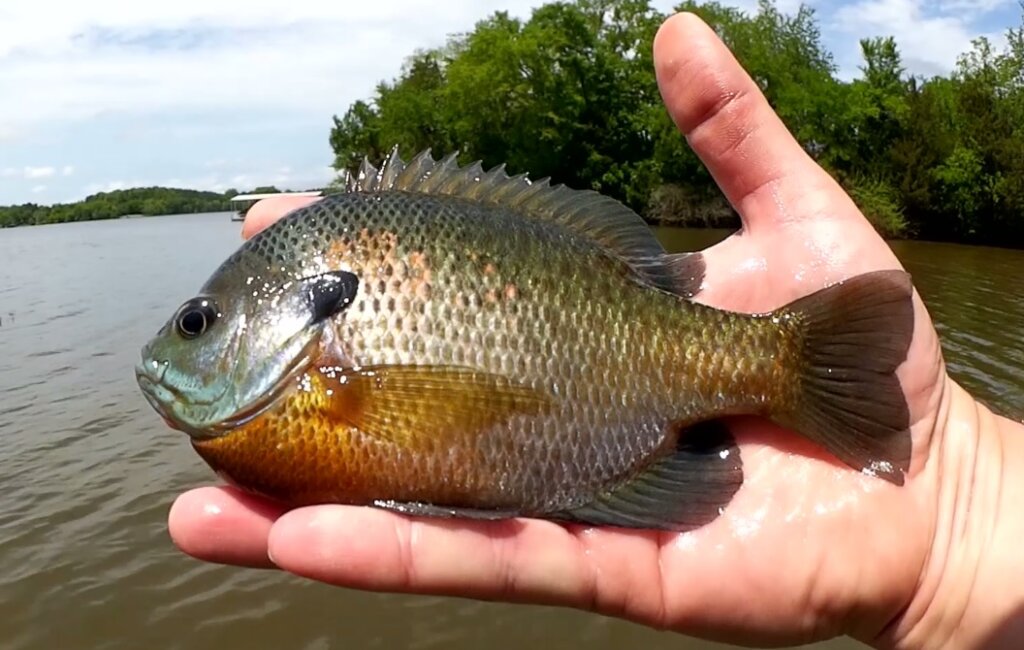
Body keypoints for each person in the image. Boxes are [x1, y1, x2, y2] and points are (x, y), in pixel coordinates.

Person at [166, 13, 1024, 650]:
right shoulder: (297, 385)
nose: (181, 349)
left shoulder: (320, 370)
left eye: (200, 326)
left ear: (280, 307)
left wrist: (956, 516)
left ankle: (795, 365)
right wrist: (952, 543)